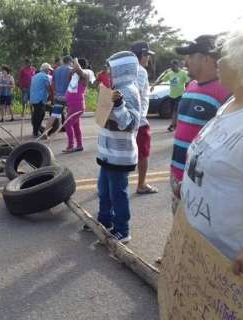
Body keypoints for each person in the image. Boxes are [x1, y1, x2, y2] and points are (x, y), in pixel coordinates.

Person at [179, 25, 243, 317]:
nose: (218, 62)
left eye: (223, 56)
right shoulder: (232, 102)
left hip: (233, 267)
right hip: (203, 254)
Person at [83, 51, 141, 243]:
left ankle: (122, 230)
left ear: (122, 70)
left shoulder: (130, 92)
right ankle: (104, 220)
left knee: (118, 194)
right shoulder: (114, 88)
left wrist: (119, 104)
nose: (109, 73)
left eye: (112, 69)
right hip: (108, 154)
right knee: (104, 189)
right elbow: (104, 119)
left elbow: (131, 123)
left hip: (120, 155)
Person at [170, 35, 231, 213]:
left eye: (190, 56)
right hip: (177, 176)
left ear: (206, 58)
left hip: (199, 183)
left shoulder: (226, 92)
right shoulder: (191, 86)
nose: (185, 61)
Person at [131, 41, 158, 195]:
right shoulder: (140, 71)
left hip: (126, 120)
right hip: (139, 121)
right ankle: (141, 184)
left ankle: (110, 182)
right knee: (143, 153)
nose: (148, 58)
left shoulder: (122, 70)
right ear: (141, 55)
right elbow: (137, 94)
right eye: (147, 55)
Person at [152, 60, 190, 131]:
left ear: (177, 66)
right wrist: (154, 85)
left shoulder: (183, 73)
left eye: (174, 66)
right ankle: (175, 125)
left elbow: (188, 82)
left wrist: (187, 90)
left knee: (176, 111)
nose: (172, 68)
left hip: (180, 95)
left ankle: (172, 125)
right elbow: (162, 80)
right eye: (171, 66)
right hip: (172, 95)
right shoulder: (170, 73)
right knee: (172, 112)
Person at [63, 58, 89, 153]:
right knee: (75, 126)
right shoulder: (74, 76)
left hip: (77, 105)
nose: (73, 67)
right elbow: (69, 77)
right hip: (71, 105)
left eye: (75, 66)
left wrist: (75, 61)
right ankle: (79, 145)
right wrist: (72, 71)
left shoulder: (85, 76)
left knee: (67, 123)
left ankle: (71, 146)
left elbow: (78, 70)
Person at [44, 55, 73, 136]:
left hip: (58, 96)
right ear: (70, 62)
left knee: (54, 115)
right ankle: (70, 133)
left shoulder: (56, 70)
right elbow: (72, 84)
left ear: (63, 61)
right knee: (70, 114)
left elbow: (52, 85)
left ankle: (45, 132)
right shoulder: (70, 70)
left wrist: (54, 94)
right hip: (68, 97)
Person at [29, 63, 54, 137]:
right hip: (40, 99)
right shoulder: (45, 76)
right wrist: (52, 98)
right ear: (46, 70)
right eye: (49, 70)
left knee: (37, 115)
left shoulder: (34, 76)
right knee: (39, 115)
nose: (49, 72)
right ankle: (35, 132)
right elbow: (49, 88)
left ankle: (36, 131)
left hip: (33, 99)